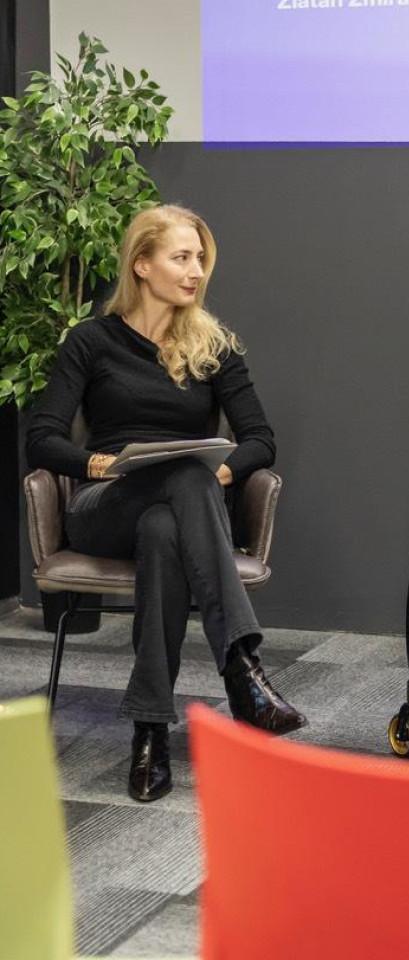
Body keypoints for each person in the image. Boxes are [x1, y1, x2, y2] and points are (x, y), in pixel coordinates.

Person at [26, 204, 306, 803]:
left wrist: (216, 474)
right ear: (142, 264)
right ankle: (241, 667)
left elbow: (260, 440)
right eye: (182, 257)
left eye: (201, 258)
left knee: (163, 529)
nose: (197, 271)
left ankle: (149, 729)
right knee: (178, 485)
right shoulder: (91, 341)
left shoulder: (213, 345)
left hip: (180, 510)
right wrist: (103, 465)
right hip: (105, 507)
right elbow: (42, 438)